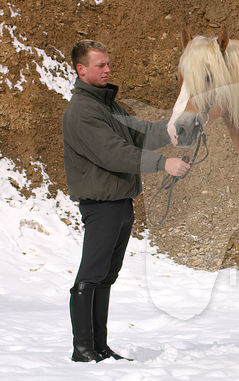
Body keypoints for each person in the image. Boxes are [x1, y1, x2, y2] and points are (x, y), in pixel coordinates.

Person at [62, 40, 190, 362]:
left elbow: (139, 133)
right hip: (101, 205)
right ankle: (83, 350)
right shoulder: (83, 111)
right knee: (91, 275)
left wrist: (173, 129)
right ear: (81, 69)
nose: (108, 69)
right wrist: (163, 163)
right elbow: (114, 154)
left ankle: (99, 347)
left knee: (106, 275)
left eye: (108, 63)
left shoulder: (106, 105)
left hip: (119, 203)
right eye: (100, 65)